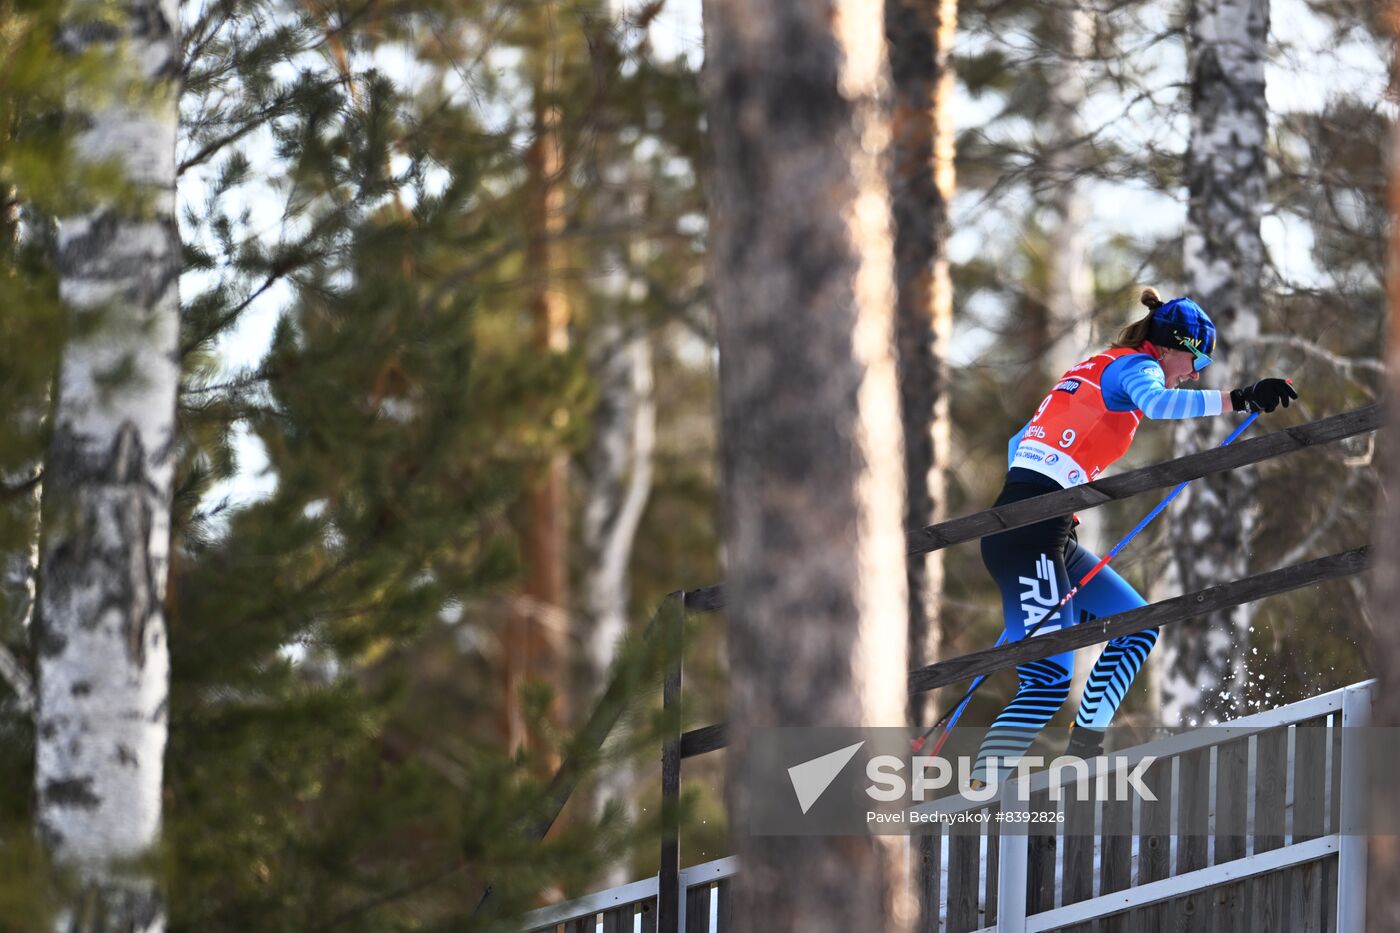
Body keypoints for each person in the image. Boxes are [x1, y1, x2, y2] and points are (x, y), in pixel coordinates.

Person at [969, 288, 1297, 786]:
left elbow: (1022, 440)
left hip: (1043, 523)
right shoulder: (1137, 368)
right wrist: (1240, 397)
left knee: (1137, 624)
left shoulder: (1099, 365)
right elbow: (1160, 404)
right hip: (1032, 531)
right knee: (1047, 680)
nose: (1196, 372)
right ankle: (978, 793)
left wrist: (1052, 484)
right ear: (1167, 347)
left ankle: (1083, 754)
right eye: (1196, 357)